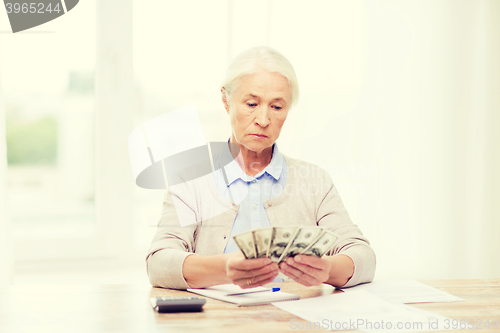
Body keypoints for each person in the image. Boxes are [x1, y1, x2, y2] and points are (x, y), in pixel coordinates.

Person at [146, 46, 375, 290]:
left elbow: (363, 257)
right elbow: (159, 262)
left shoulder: (314, 181)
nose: (263, 120)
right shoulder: (190, 180)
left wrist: (328, 269)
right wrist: (224, 269)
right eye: (252, 104)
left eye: (276, 107)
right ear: (226, 101)